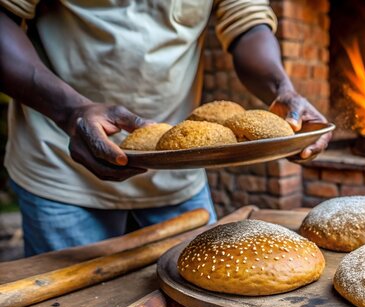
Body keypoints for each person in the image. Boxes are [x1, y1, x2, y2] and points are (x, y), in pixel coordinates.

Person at [0, 0, 331, 256]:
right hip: (61, 166)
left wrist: (282, 89)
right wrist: (70, 111)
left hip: (180, 168)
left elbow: (247, 25)